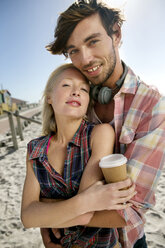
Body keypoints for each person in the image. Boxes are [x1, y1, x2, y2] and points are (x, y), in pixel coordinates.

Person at [43, 0, 165, 247]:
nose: (85, 59)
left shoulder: (152, 106)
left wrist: (49, 212)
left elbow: (130, 211)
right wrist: (48, 221)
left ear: (116, 34)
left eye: (93, 41)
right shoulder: (75, 99)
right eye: (74, 50)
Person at [21, 63, 136, 248]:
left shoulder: (100, 134)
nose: (76, 91)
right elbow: (27, 218)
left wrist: (44, 208)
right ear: (49, 97)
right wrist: (85, 201)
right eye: (66, 85)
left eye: (84, 89)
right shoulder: (34, 149)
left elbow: (87, 212)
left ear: (88, 101)